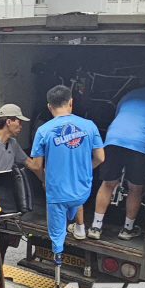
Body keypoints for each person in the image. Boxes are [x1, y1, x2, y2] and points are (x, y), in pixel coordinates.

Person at [29, 86, 105, 262]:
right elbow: (100, 158)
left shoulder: (44, 130)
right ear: (71, 102)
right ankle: (79, 228)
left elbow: (36, 166)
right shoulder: (89, 125)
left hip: (57, 193)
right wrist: (84, 170)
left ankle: (57, 265)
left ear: (49, 107)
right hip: (81, 193)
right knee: (72, 194)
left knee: (56, 226)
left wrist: (45, 180)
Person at [88, 82, 145, 240]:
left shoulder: (131, 94)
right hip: (140, 142)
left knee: (108, 184)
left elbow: (119, 115)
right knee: (135, 188)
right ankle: (127, 229)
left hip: (114, 137)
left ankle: (95, 227)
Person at [0, 103, 35, 259]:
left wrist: (47, 180)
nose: (21, 126)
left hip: (3, 199)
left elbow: (30, 164)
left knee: (4, 236)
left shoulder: (13, 144)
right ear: (9, 121)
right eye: (19, 121)